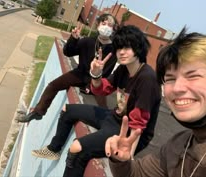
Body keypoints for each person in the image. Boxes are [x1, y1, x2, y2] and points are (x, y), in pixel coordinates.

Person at [31, 25, 161, 177]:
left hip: (127, 132)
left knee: (77, 148)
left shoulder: (147, 78)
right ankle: (54, 149)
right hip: (114, 118)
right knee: (68, 110)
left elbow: (139, 124)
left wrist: (128, 160)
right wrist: (96, 74)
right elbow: (102, 89)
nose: (122, 52)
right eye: (119, 48)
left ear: (138, 49)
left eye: (127, 47)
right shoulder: (123, 70)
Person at [105, 27, 206, 177]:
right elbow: (136, 173)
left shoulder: (145, 77)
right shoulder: (177, 144)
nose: (177, 88)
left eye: (193, 76)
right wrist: (120, 159)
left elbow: (139, 119)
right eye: (170, 79)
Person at [17, 13, 118, 123]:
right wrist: (73, 39)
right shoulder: (87, 41)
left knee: (102, 105)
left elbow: (106, 74)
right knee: (52, 85)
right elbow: (68, 52)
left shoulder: (114, 51)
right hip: (79, 74)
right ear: (98, 25)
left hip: (97, 80)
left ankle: (108, 123)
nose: (106, 27)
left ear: (113, 30)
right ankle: (38, 112)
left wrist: (91, 85)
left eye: (109, 25)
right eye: (104, 23)